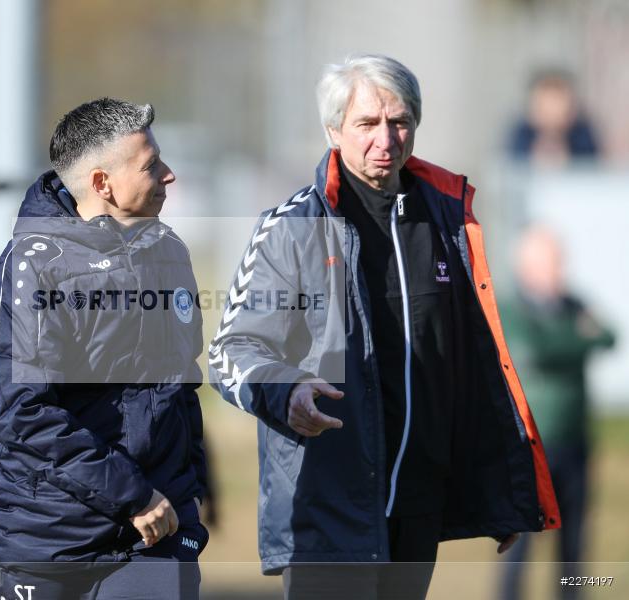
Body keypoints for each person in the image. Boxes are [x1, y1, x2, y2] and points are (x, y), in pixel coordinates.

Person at [208, 55, 560, 600]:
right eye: (366, 123)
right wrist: (286, 392)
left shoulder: (448, 221)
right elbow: (232, 351)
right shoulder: (292, 227)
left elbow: (472, 367)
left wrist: (496, 484)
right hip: (325, 504)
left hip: (417, 505)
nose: (386, 138)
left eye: (399, 121)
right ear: (333, 130)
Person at [0, 98, 208, 600]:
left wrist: (190, 489)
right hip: (49, 539)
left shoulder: (169, 252)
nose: (168, 175)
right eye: (151, 165)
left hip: (155, 533)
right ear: (102, 184)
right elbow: (25, 413)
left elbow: (180, 381)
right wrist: (133, 494)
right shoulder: (32, 268)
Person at [498, 226, 616, 600]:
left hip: (575, 442)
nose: (558, 271)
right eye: (550, 263)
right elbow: (536, 350)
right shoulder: (512, 308)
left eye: (559, 262)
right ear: (527, 266)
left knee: (574, 547)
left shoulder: (572, 303)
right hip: (531, 444)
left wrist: (580, 337)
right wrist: (579, 338)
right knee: (521, 545)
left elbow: (609, 336)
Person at [508, 70, 599, 167]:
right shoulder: (521, 136)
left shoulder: (583, 137)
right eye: (545, 109)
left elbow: (590, 169)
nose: (552, 116)